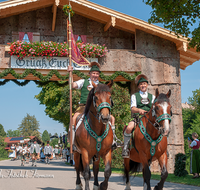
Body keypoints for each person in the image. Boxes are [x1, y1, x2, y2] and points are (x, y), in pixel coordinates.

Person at [67, 62, 117, 152]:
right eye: (93, 73)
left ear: (99, 75)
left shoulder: (102, 86)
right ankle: (74, 143)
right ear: (89, 74)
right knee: (74, 118)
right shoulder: (83, 81)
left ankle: (112, 141)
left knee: (112, 118)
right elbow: (72, 85)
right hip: (83, 107)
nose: (95, 75)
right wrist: (70, 74)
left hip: (97, 108)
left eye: (97, 73)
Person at [122, 74, 155, 158]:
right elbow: (133, 109)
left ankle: (165, 149)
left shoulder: (153, 97)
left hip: (150, 119)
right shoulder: (134, 96)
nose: (143, 85)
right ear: (138, 86)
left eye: (144, 83)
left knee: (162, 126)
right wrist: (139, 110)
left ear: (147, 85)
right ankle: (125, 148)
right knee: (129, 128)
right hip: (138, 118)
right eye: (141, 84)